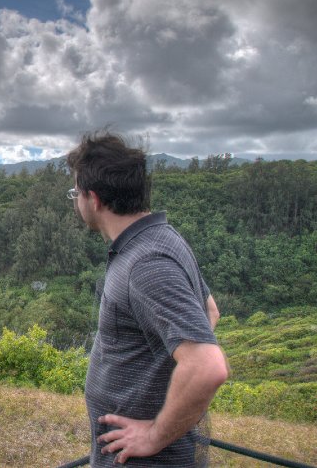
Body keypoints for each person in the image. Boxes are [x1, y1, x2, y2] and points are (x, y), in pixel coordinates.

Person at [66, 131, 228, 467]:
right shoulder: (161, 238)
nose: (75, 200)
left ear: (93, 199)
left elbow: (207, 366)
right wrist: (158, 377)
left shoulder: (146, 264)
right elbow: (209, 311)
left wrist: (155, 433)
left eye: (74, 192)